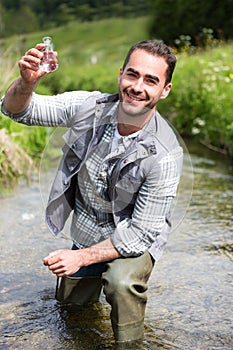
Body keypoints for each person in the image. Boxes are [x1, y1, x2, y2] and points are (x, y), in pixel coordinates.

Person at [1, 39, 183, 346]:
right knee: (71, 313)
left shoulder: (166, 154)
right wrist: (26, 83)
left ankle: (131, 344)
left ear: (164, 90)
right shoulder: (89, 106)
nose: (137, 87)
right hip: (87, 230)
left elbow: (140, 233)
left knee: (122, 282)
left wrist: (79, 258)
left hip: (134, 238)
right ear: (120, 74)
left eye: (151, 80)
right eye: (132, 74)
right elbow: (20, 111)